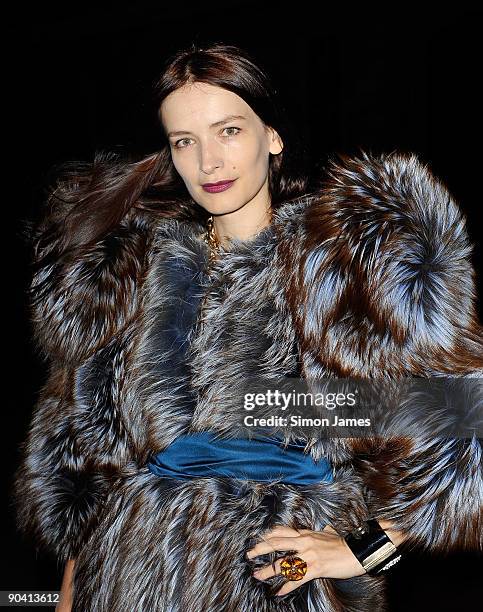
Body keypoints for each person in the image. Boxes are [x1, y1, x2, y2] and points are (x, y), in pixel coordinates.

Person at [13, 42, 482, 612]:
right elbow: (89, 470)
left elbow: (459, 431)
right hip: (130, 580)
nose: (208, 162)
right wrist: (67, 599)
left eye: (228, 131)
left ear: (272, 137)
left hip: (277, 579)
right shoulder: (126, 277)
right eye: (185, 141)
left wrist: (361, 551)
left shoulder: (342, 273)